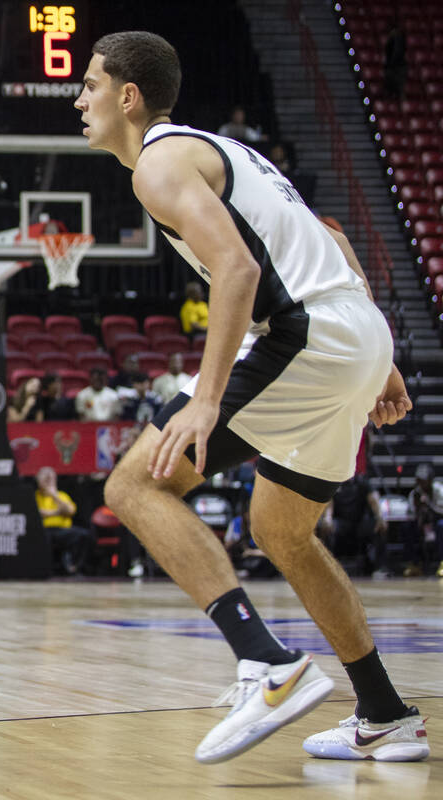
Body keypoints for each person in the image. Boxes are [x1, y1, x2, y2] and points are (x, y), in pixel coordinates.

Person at [79, 31, 426, 764]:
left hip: (304, 335)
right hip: (351, 333)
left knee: (136, 483)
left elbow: (235, 271)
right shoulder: (221, 150)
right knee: (281, 531)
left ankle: (264, 661)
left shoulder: (159, 164)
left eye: (90, 85)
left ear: (128, 96)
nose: (81, 100)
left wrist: (205, 401)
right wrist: (382, 353)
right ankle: (385, 714)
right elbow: (328, 232)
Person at [34, 467, 93, 575]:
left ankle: (73, 567)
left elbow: (70, 511)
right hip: (43, 530)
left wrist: (53, 495)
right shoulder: (35, 496)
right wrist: (58, 512)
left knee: (83, 535)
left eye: (50, 478)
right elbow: (37, 513)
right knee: (43, 537)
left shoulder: (61, 495)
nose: (47, 480)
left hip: (62, 530)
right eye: (44, 477)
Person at [407, 463, 443, 578]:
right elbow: (410, 514)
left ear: (430, 480)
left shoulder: (439, 490)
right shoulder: (414, 494)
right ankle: (415, 563)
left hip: (438, 521)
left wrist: (429, 504)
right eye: (419, 481)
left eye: (424, 480)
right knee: (408, 528)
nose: (421, 484)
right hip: (422, 523)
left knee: (441, 526)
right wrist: (418, 508)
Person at [384, 21, 407, 100]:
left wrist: (391, 65)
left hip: (396, 68)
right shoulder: (396, 38)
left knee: (397, 90)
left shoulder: (397, 37)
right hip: (396, 68)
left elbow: (397, 52)